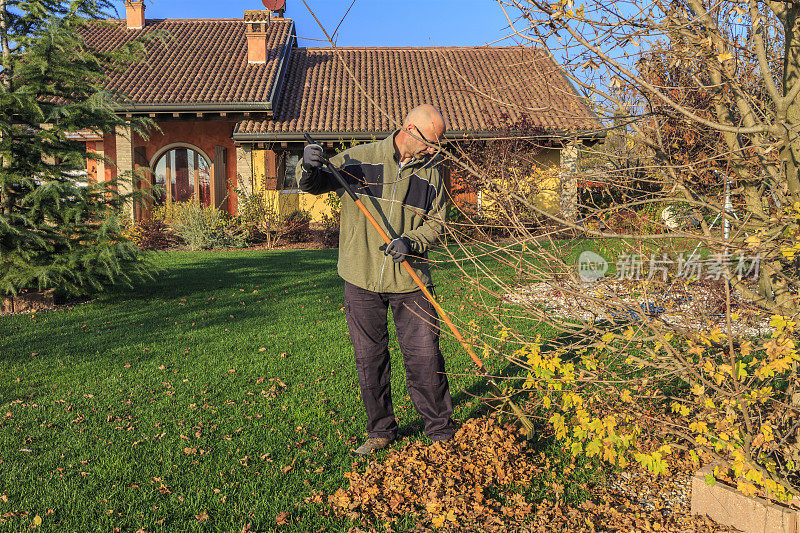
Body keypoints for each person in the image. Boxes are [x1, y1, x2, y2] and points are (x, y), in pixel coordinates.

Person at [297, 104, 459, 455]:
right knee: (370, 358)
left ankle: (440, 431)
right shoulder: (359, 159)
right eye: (432, 141)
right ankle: (381, 430)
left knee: (425, 356)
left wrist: (412, 241)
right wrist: (308, 165)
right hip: (361, 277)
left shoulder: (432, 173)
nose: (435, 149)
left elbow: (440, 222)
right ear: (411, 129)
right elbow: (314, 183)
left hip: (410, 281)